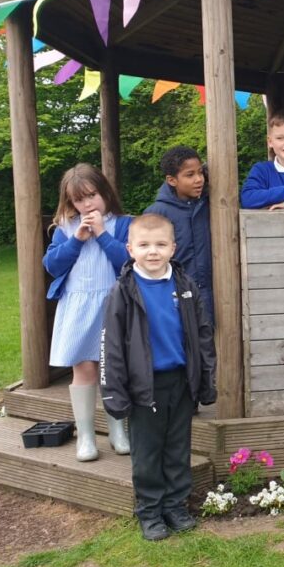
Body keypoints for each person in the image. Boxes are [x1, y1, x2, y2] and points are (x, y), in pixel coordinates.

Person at [100, 214, 217, 540]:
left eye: (160, 245)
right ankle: (150, 512)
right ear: (130, 248)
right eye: (144, 245)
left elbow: (203, 335)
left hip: (180, 383)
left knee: (177, 448)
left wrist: (206, 379)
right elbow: (110, 346)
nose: (153, 252)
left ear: (173, 248)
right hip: (143, 388)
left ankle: (175, 506)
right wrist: (114, 392)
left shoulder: (185, 286)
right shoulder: (122, 292)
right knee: (148, 453)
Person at [43, 163, 132, 462]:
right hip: (78, 307)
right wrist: (77, 240)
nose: (87, 204)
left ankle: (118, 431)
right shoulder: (64, 229)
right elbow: (52, 266)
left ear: (104, 192)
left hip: (113, 305)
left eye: (92, 195)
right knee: (84, 370)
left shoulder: (122, 224)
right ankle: (86, 437)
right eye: (79, 200)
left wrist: (103, 235)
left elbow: (127, 264)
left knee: (113, 370)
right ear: (71, 202)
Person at [144, 146, 213, 324]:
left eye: (200, 173)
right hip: (172, 300)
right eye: (190, 175)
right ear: (172, 180)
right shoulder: (157, 213)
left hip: (211, 299)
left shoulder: (212, 205)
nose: (199, 180)